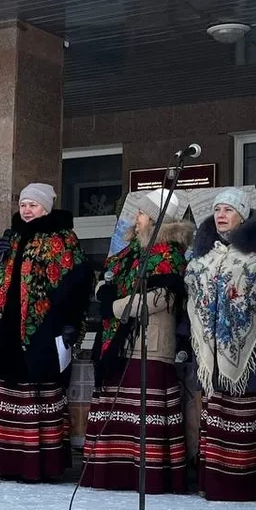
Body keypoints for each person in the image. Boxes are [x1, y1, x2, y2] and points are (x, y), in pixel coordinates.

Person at [83, 189, 192, 494]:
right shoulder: (129, 253)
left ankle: (148, 476)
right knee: (118, 411)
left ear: (157, 220)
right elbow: (107, 280)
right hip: (120, 343)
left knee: (144, 412)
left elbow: (162, 296)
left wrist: (115, 306)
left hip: (152, 342)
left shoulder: (169, 254)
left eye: (142, 214)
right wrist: (103, 292)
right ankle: (112, 472)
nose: (136, 219)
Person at [185, 188, 256, 501]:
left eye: (228, 210)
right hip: (212, 349)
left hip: (252, 348)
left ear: (242, 215)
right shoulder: (204, 254)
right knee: (216, 414)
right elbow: (193, 299)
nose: (221, 215)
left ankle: (246, 485)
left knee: (246, 415)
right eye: (217, 210)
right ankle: (215, 483)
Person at [0, 183, 92, 483]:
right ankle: (10, 461)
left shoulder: (62, 238)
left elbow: (79, 282)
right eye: (23, 204)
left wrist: (70, 321)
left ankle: (37, 465)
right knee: (10, 393)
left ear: (46, 207)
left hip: (43, 329)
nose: (26, 210)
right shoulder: (12, 237)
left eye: (33, 205)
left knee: (38, 393)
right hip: (7, 330)